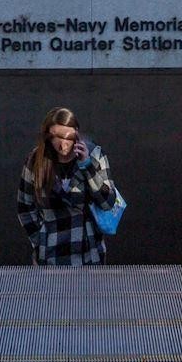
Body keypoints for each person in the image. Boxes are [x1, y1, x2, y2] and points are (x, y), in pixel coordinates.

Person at [17, 107, 117, 267]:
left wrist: (87, 165)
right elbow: (24, 206)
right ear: (48, 136)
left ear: (76, 132)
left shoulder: (93, 154)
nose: (63, 143)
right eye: (56, 136)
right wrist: (40, 240)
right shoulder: (37, 160)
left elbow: (108, 202)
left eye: (68, 136)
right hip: (51, 253)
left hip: (88, 254)